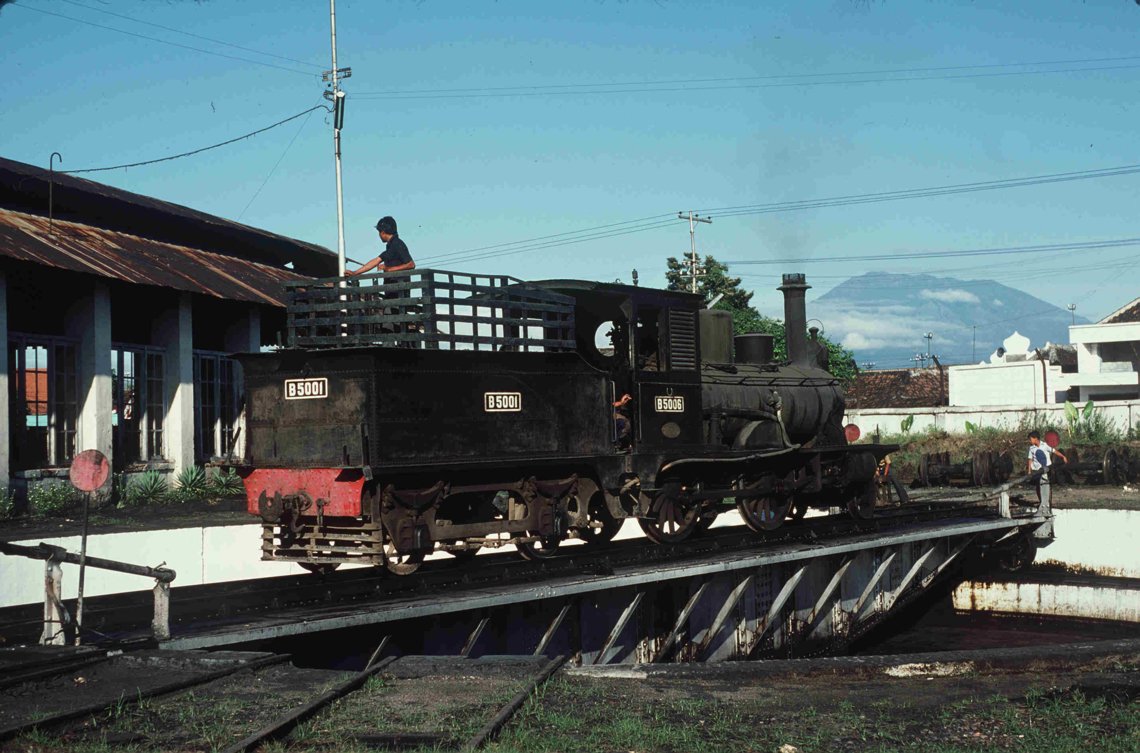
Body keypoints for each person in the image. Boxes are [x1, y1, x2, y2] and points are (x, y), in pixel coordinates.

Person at [347, 216, 415, 276]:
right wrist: (355, 273)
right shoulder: (391, 246)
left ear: (382, 232)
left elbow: (411, 264)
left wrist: (390, 269)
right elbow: (376, 261)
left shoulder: (397, 244)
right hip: (393, 287)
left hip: (399, 288)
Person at [1027, 430, 1068, 509]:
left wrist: (1063, 456)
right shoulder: (1031, 448)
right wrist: (1029, 471)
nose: (1030, 441)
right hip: (1037, 470)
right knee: (1038, 486)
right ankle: (1041, 501)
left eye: (1030, 439)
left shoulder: (1044, 445)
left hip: (1046, 468)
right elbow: (1030, 459)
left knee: (1046, 486)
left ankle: (1047, 502)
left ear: (1035, 438)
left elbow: (1054, 451)